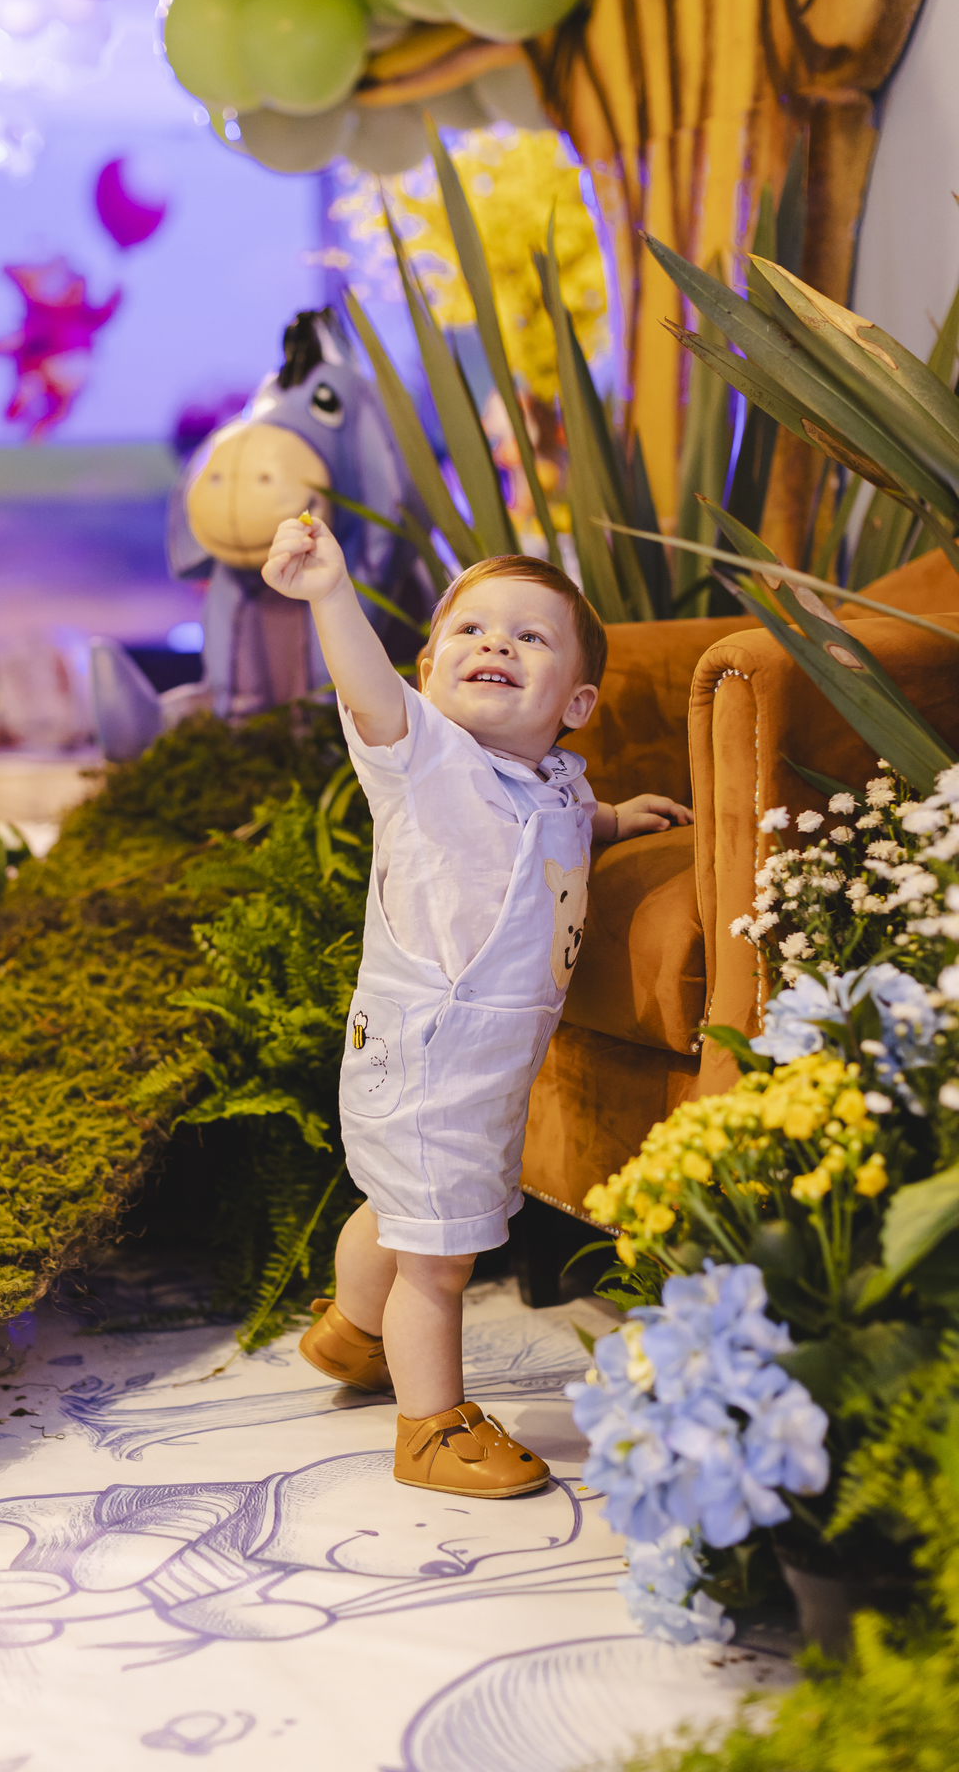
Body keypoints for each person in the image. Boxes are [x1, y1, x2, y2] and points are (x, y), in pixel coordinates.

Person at [261, 516, 691, 1498]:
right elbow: (368, 693)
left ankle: (353, 1332)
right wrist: (330, 592)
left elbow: (558, 825)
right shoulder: (425, 760)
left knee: (404, 1206)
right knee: (439, 1259)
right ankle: (431, 1427)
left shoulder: (557, 783)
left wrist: (615, 820)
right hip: (427, 1049)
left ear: (576, 703)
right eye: (470, 629)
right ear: (426, 672)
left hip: (484, 1061)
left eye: (530, 636)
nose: (496, 643)